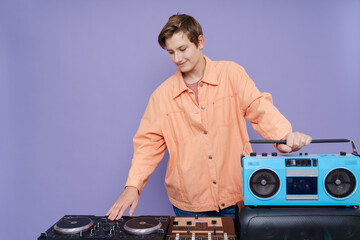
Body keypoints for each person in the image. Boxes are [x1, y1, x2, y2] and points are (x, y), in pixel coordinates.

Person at [106, 14, 312, 221]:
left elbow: (259, 107)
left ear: (200, 42)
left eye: (183, 49)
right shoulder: (161, 96)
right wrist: (133, 186)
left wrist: (284, 137)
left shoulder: (231, 74)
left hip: (237, 196)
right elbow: (147, 145)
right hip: (189, 204)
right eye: (171, 52)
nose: (177, 58)